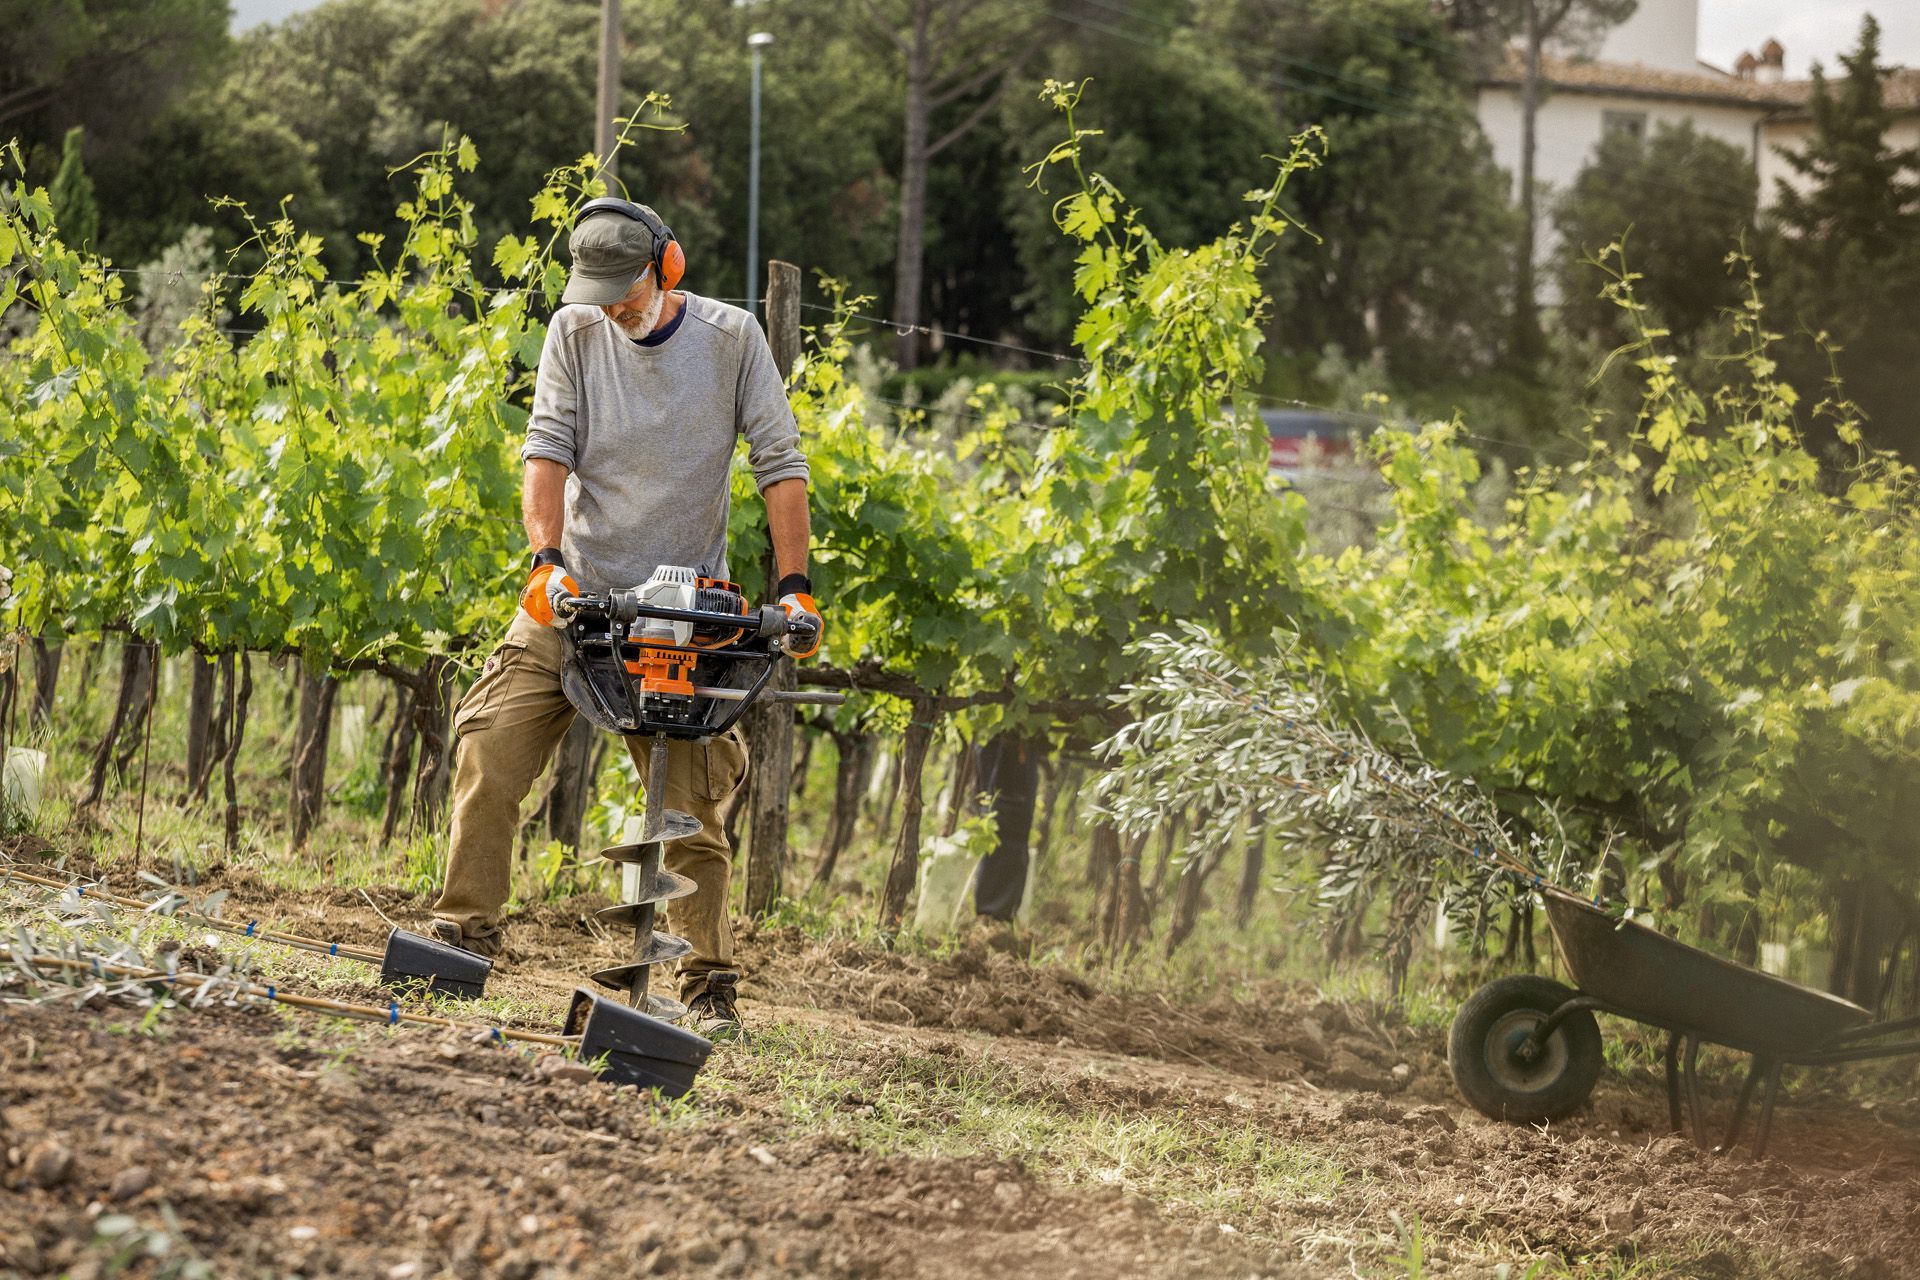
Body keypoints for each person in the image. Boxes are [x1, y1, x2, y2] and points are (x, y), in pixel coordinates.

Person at [425, 198, 819, 1040]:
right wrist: (547, 563)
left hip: (679, 616)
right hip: (581, 600)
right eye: (598, 290)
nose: (614, 305)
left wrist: (794, 586)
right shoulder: (574, 330)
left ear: (666, 268)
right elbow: (547, 448)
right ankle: (464, 934)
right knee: (489, 744)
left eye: (627, 287)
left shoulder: (731, 340)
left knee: (690, 807)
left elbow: (779, 463)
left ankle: (706, 985)